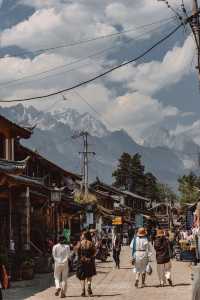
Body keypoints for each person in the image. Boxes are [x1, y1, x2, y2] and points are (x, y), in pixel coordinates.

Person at [76, 231, 96, 297]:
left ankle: (83, 290)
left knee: (82, 277)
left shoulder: (80, 243)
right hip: (89, 261)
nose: (81, 236)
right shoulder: (91, 243)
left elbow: (77, 252)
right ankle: (89, 287)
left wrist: (81, 257)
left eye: (82, 235)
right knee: (89, 276)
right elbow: (94, 252)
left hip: (81, 261)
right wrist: (90, 257)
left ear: (84, 236)